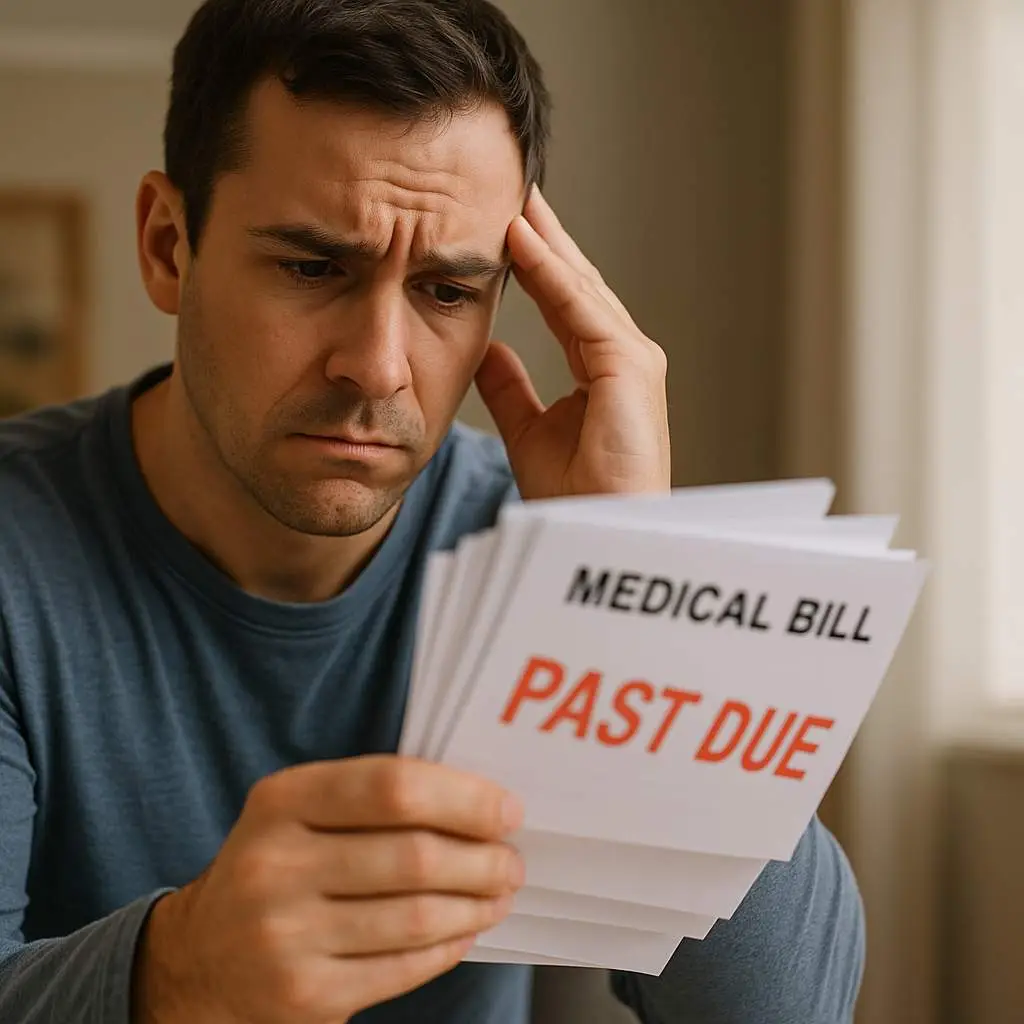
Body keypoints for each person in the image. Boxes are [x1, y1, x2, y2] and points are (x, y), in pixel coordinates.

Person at [0, 1, 864, 1021]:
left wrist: (638, 573)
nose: (376, 365)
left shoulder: (557, 547)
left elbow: (788, 1010)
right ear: (167, 245)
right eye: (313, 267)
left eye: (449, 290)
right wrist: (174, 970)